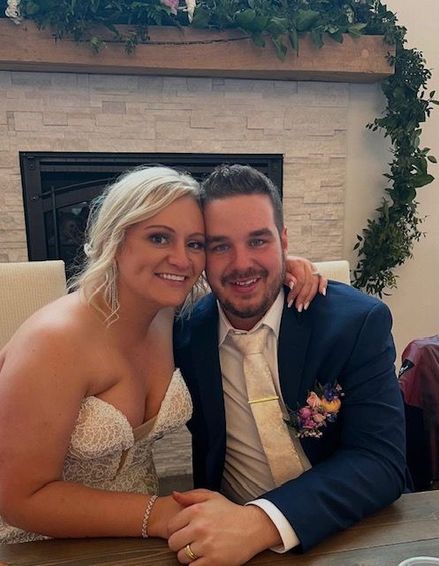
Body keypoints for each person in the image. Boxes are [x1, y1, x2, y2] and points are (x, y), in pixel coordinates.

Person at [0, 166, 322, 552]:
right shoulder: (55, 339)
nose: (181, 260)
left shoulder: (170, 314)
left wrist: (278, 265)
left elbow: (236, 276)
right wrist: (160, 514)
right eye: (158, 238)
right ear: (116, 240)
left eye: (196, 244)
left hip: (123, 535)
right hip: (15, 543)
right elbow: (18, 500)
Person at [170, 164, 407, 565]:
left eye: (258, 240)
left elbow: (381, 462)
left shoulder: (355, 323)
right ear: (200, 256)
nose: (241, 263)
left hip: (348, 531)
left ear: (283, 240)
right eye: (220, 245)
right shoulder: (184, 334)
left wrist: (259, 523)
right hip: (228, 543)